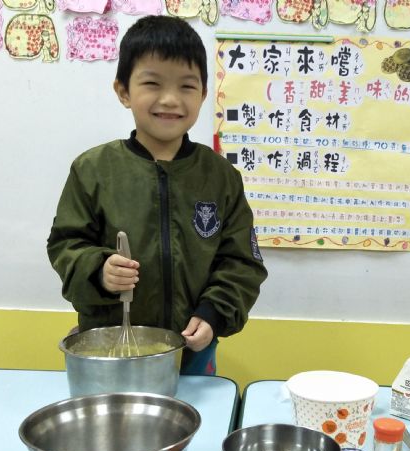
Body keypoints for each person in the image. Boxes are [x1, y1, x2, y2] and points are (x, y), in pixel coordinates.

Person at [47, 15, 268, 375]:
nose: (170, 99)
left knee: (197, 412)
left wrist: (214, 312)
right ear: (123, 91)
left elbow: (241, 262)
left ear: (203, 94)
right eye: (152, 83)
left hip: (192, 350)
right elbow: (65, 245)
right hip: (110, 348)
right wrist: (99, 270)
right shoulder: (93, 170)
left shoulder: (221, 177)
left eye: (186, 86)